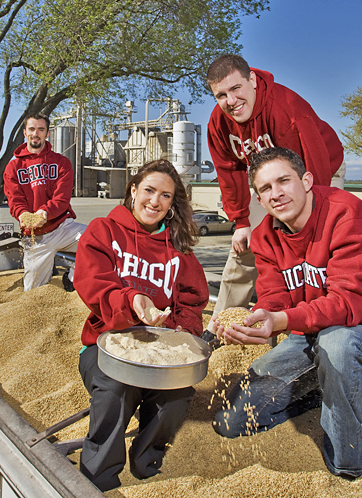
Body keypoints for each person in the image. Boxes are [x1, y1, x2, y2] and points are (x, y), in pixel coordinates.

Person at [212, 147, 362, 479]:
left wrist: (282, 320)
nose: (276, 194)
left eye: (283, 181)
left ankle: (346, 464)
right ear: (259, 200)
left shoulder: (347, 213)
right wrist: (254, 321)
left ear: (305, 181)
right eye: (265, 189)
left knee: (337, 343)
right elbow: (275, 302)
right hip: (309, 335)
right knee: (232, 421)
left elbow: (349, 304)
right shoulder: (265, 238)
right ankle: (325, 389)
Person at [73, 159, 209, 492]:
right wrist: (133, 301)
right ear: (133, 190)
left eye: (165, 196)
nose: (155, 201)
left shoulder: (180, 252)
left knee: (178, 394)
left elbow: (192, 303)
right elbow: (92, 283)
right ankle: (98, 477)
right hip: (106, 347)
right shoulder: (104, 231)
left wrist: (178, 333)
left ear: (172, 203)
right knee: (116, 388)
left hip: (160, 353)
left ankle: (147, 461)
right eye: (149, 190)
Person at [202, 53, 344, 343]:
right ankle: (221, 326)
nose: (231, 100)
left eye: (236, 88)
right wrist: (242, 220)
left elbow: (312, 168)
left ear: (252, 80)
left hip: (317, 170)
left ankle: (310, 327)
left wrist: (307, 218)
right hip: (264, 179)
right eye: (221, 95)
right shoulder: (219, 124)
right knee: (243, 246)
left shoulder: (288, 109)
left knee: (313, 247)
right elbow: (228, 170)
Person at [3, 113, 86, 291]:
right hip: (36, 238)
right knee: (33, 291)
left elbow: (62, 199)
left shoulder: (61, 162)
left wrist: (44, 213)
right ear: (25, 132)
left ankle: (72, 276)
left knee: (102, 241)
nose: (36, 133)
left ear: (47, 134)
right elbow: (15, 200)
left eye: (41, 129)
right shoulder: (13, 167)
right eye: (32, 129)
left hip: (63, 228)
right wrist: (23, 214)